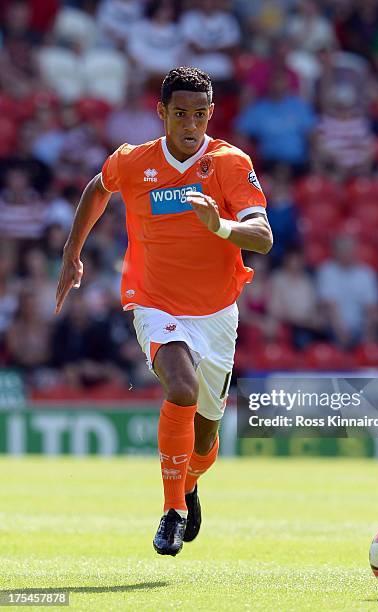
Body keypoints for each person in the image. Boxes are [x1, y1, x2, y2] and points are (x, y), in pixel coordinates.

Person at [55, 67, 273, 556]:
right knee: (181, 386)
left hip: (217, 313)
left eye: (200, 114)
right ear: (162, 113)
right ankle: (172, 510)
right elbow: (98, 186)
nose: (190, 124)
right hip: (152, 301)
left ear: (211, 114)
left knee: (205, 439)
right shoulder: (133, 161)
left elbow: (263, 236)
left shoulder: (230, 164)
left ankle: (189, 483)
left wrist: (220, 227)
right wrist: (73, 252)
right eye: (180, 114)